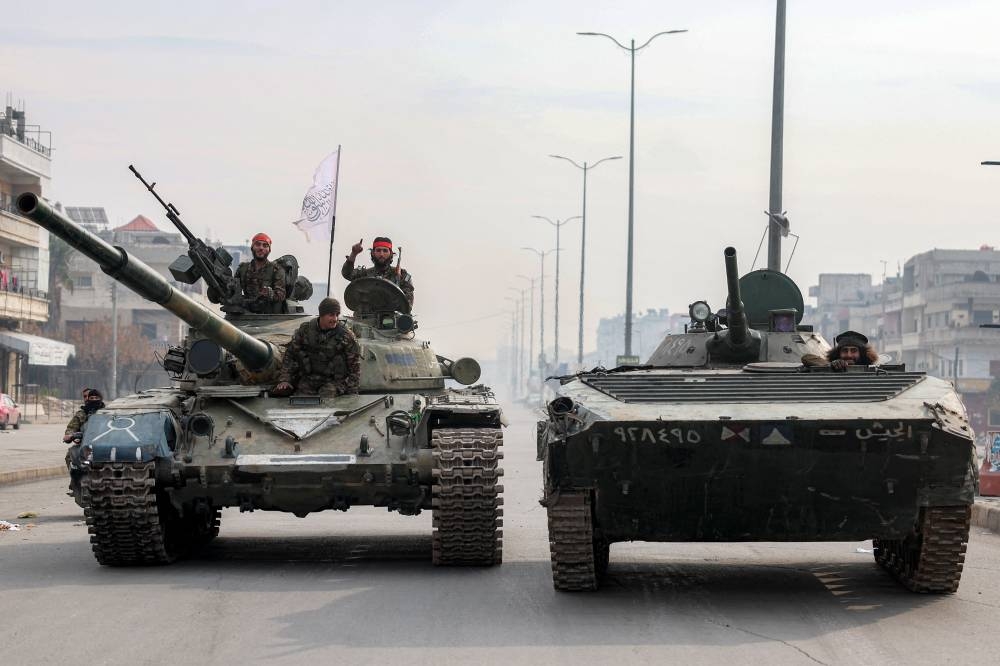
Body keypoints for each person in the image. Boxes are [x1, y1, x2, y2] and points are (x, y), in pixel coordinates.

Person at [273, 297, 361, 397]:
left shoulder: (346, 336)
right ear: (321, 315)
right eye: (331, 315)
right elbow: (290, 355)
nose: (335, 319)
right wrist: (285, 380)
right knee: (299, 400)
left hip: (335, 383)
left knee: (327, 395)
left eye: (337, 315)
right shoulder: (305, 331)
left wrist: (352, 394)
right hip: (310, 380)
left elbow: (354, 367)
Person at [341, 236, 414, 306]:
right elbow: (347, 274)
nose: (381, 254)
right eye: (378, 250)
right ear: (373, 253)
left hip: (392, 317)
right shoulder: (365, 274)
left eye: (385, 251)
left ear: (391, 253)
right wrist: (353, 254)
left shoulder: (401, 275)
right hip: (365, 316)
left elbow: (407, 303)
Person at [64, 388, 105, 500]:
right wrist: (70, 435)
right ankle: (75, 482)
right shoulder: (81, 414)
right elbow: (71, 428)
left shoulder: (107, 413)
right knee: (71, 455)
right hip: (85, 445)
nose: (93, 400)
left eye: (96, 398)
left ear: (101, 399)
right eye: (91, 398)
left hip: (105, 445)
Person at [236, 232, 286, 313]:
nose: (261, 248)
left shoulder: (276, 270)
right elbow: (234, 291)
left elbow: (281, 295)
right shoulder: (242, 269)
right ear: (252, 247)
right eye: (258, 244)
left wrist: (270, 294)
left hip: (267, 318)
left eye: (265, 245)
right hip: (245, 315)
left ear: (269, 250)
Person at [802, 330, 879, 371]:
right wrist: (830, 365)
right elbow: (806, 358)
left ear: (862, 354)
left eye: (854, 351)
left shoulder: (873, 370)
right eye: (845, 351)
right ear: (838, 353)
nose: (849, 355)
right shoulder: (833, 367)